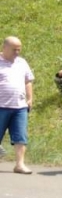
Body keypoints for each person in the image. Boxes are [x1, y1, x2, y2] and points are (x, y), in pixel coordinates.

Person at [0, 36, 34, 175]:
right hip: (1, 106)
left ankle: (20, 164)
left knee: (21, 136)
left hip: (19, 106)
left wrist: (30, 98)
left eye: (19, 49)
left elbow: (28, 81)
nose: (17, 52)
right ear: (5, 48)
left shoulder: (21, 62)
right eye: (14, 49)